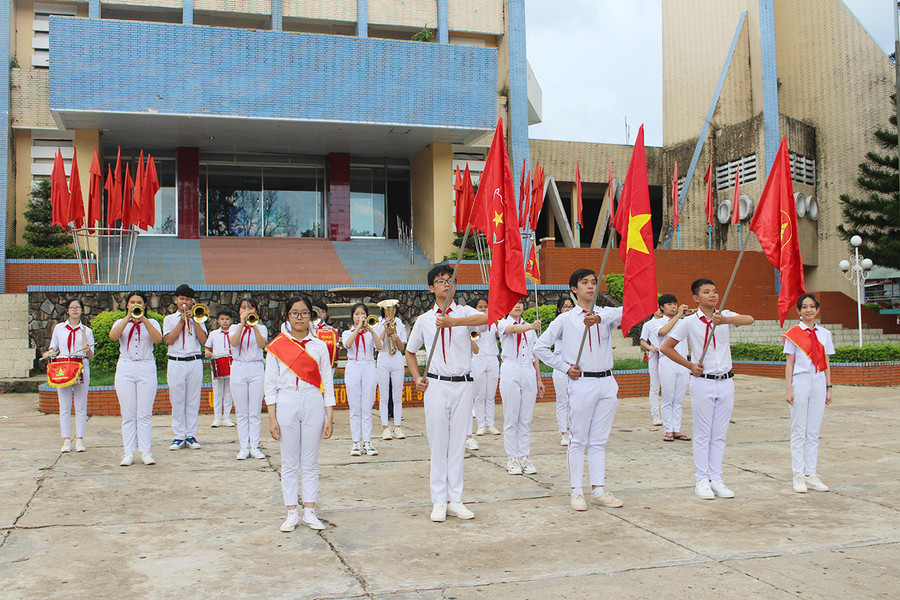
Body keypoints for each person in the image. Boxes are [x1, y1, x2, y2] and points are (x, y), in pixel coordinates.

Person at [534, 268, 625, 511]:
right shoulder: (566, 319)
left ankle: (598, 489)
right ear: (574, 289)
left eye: (594, 283)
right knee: (578, 439)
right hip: (581, 381)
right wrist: (565, 367)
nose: (590, 287)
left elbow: (629, 312)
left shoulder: (605, 314)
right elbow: (540, 346)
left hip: (606, 381)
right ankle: (576, 491)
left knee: (599, 440)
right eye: (584, 283)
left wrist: (600, 319)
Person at [405, 265, 487, 522]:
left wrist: (455, 322)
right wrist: (417, 377)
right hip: (437, 385)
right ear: (431, 288)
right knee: (439, 442)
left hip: (463, 384)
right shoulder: (424, 320)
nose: (446, 285)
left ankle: (456, 499)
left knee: (458, 443)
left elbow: (489, 318)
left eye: (451, 281)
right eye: (441, 281)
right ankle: (439, 499)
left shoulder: (464, 312)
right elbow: (410, 351)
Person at [660, 278, 754, 500]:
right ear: (696, 298)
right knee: (703, 434)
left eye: (715, 291)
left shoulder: (724, 316)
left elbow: (750, 319)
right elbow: (666, 347)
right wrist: (690, 365)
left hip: (726, 381)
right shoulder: (689, 322)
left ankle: (717, 478)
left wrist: (725, 320)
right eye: (706, 292)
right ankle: (701, 479)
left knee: (719, 434)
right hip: (704, 382)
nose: (712, 295)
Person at [265, 295, 335, 532]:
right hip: (286, 401)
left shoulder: (319, 346)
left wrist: (330, 415)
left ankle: (310, 511)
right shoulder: (277, 346)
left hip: (313, 399)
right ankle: (291, 512)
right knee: (289, 460)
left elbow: (327, 380)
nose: (300, 317)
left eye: (304, 313)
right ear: (288, 316)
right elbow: (270, 385)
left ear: (310, 316)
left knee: (310, 460)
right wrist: (272, 417)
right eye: (295, 313)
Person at [782, 293, 834, 494]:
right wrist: (789, 388)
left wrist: (829, 387)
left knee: (813, 431)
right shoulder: (793, 333)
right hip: (801, 380)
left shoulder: (824, 334)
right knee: (798, 429)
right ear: (799, 311)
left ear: (817, 309)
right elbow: (790, 363)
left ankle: (811, 474)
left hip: (819, 380)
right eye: (804, 307)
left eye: (812, 306)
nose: (808, 310)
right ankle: (798, 474)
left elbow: (827, 362)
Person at [109, 291, 162, 466]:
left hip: (146, 366)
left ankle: (146, 451)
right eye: (132, 302)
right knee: (128, 413)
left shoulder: (152, 322)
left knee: (144, 413)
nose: (135, 304)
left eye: (139, 302)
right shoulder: (120, 322)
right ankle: (128, 452)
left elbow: (157, 339)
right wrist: (128, 317)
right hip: (126, 366)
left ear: (145, 305)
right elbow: (113, 336)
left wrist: (144, 319)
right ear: (127, 304)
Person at [497, 299, 544, 475]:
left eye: (520, 303)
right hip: (511, 368)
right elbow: (512, 330)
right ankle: (512, 458)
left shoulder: (529, 328)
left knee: (526, 418)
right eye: (513, 303)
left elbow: (535, 354)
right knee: (512, 417)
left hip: (528, 370)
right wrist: (531, 327)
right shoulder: (503, 323)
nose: (517, 306)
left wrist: (538, 378)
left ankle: (524, 456)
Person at [43, 298, 95, 453]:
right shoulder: (59, 328)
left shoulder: (87, 331)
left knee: (80, 406)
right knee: (64, 406)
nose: (75, 310)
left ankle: (80, 439)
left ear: (82, 310)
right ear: (67, 310)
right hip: (63, 368)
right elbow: (54, 348)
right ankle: (66, 440)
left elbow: (91, 356)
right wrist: (48, 353)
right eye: (72, 307)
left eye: (78, 307)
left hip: (80, 367)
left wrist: (87, 350)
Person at [163, 284, 208, 451]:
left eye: (188, 299)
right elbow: (169, 340)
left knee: (193, 399)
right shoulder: (169, 319)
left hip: (194, 361)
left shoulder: (199, 317)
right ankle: (178, 435)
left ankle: (190, 435)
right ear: (176, 300)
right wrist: (181, 322)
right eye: (182, 298)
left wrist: (193, 320)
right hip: (176, 362)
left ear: (191, 301)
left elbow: (203, 340)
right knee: (177, 399)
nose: (184, 302)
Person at [229, 298, 269, 460]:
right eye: (244, 308)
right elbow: (233, 342)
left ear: (256, 311)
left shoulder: (261, 328)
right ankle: (243, 446)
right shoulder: (233, 328)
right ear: (239, 311)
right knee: (241, 411)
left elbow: (261, 344)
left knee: (254, 411)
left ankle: (254, 446)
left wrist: (253, 326)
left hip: (256, 367)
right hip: (239, 367)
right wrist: (241, 324)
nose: (247, 311)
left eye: (251, 308)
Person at [342, 303, 383, 456]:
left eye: (363, 314)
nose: (360, 317)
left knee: (367, 405)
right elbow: (347, 344)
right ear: (352, 316)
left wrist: (371, 330)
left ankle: (367, 441)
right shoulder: (348, 332)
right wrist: (359, 327)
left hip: (368, 365)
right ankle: (355, 443)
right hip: (353, 365)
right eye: (357, 314)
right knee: (355, 406)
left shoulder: (371, 332)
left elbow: (379, 346)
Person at [654, 295, 692, 442]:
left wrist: (684, 317)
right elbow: (663, 332)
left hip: (682, 360)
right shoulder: (658, 322)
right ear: (662, 307)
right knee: (668, 397)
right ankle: (668, 430)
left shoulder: (684, 322)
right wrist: (678, 316)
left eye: (675, 304)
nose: (673, 307)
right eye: (669, 304)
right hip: (667, 361)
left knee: (679, 398)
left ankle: (677, 429)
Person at [470, 297, 501, 443]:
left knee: (490, 394)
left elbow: (500, 335)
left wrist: (495, 321)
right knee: (480, 394)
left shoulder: (494, 322)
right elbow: (473, 338)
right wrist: (481, 323)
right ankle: (481, 425)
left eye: (485, 307)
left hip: (492, 358)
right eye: (480, 307)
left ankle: (491, 424)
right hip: (478, 359)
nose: (483, 309)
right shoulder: (473, 323)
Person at [375, 303, 408, 440]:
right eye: (388, 308)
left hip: (396, 361)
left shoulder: (400, 324)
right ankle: (385, 427)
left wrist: (397, 338)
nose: (391, 311)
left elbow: (401, 348)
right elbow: (378, 345)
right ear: (383, 310)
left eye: (393, 308)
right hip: (383, 360)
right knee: (383, 396)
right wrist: (384, 328)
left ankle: (397, 427)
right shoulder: (377, 323)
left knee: (397, 396)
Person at [204, 309, 235, 428]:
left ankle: (227, 417)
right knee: (217, 392)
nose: (225, 321)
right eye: (222, 319)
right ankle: (217, 418)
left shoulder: (234, 332)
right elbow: (207, 348)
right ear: (218, 321)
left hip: (231, 365)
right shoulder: (213, 334)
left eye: (227, 319)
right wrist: (208, 353)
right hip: (217, 366)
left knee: (229, 392)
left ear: (231, 321)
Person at [551, 296, 575, 445]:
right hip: (560, 364)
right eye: (566, 307)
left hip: (575, 365)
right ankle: (564, 433)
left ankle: (575, 431)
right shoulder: (557, 323)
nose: (569, 309)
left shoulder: (578, 323)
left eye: (571, 306)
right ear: (560, 309)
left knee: (576, 401)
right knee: (562, 400)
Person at [639, 309, 665, 426]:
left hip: (667, 356)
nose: (660, 311)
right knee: (655, 387)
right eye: (657, 309)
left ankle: (667, 415)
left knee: (667, 387)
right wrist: (651, 348)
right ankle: (655, 415)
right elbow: (643, 341)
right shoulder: (648, 325)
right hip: (655, 356)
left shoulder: (668, 323)